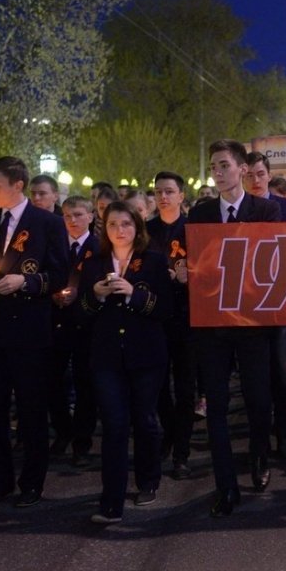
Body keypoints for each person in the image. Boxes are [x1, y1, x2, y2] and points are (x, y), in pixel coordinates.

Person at [0, 156, 69, 509]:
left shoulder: (47, 223)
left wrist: (26, 281)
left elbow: (59, 274)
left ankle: (32, 482)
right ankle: (0, 482)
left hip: (29, 330)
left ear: (17, 186)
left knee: (31, 409)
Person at [188, 139, 281, 517]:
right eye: (213, 166)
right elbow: (193, 259)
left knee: (259, 401)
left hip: (253, 323)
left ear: (242, 169)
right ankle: (225, 486)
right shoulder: (201, 213)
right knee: (217, 408)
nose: (218, 172)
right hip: (212, 326)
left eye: (224, 165)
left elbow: (271, 256)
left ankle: (259, 456)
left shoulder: (266, 209)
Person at [78, 201, 172, 523]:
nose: (121, 230)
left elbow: (166, 310)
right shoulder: (94, 262)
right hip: (106, 355)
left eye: (127, 224)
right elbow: (82, 311)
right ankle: (111, 500)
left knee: (144, 419)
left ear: (137, 227)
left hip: (146, 354)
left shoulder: (154, 261)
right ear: (105, 228)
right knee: (115, 424)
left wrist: (133, 293)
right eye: (114, 224)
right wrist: (97, 294)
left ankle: (148, 479)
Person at [244, 152, 286, 458]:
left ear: (269, 175)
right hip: (246, 303)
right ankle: (259, 435)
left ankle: (284, 430)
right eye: (249, 175)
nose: (255, 180)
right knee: (254, 373)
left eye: (260, 174)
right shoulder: (237, 210)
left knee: (284, 369)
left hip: (281, 300)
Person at [146, 171, 196, 479]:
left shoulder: (193, 228)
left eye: (169, 192)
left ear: (181, 196)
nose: (163, 197)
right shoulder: (146, 230)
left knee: (187, 385)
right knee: (160, 384)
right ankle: (168, 433)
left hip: (188, 314)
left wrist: (188, 276)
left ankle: (183, 450)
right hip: (155, 315)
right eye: (158, 192)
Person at [46, 196, 99, 467]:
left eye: (78, 215)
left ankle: (82, 440)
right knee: (52, 381)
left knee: (84, 383)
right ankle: (63, 431)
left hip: (86, 323)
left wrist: (80, 296)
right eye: (67, 216)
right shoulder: (55, 246)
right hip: (57, 321)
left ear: (90, 216)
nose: (73, 221)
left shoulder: (99, 246)